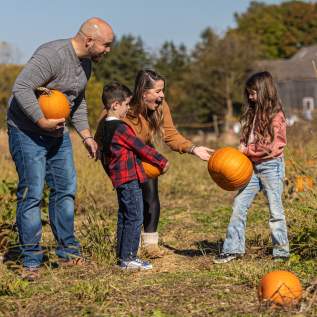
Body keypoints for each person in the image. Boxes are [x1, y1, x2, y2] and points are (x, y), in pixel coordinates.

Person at [7, 17, 114, 279]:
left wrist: (87, 136)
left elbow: (76, 102)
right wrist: (40, 120)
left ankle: (68, 253)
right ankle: (31, 259)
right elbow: (21, 87)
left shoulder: (86, 64)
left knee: (65, 190)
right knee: (31, 194)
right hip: (27, 131)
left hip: (57, 134)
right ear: (89, 40)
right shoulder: (52, 54)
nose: (108, 51)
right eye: (106, 45)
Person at [97, 69, 213, 258]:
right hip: (122, 159)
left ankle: (150, 244)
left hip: (145, 153)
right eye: (158, 91)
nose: (162, 95)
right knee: (128, 205)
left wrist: (193, 149)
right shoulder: (122, 108)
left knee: (150, 196)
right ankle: (125, 248)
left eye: (162, 90)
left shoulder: (161, 106)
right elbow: (102, 136)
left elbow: (170, 134)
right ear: (144, 92)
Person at [213, 71, 290, 264]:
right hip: (251, 167)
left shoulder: (276, 116)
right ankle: (233, 249)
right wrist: (243, 149)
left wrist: (246, 150)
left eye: (253, 92)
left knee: (275, 210)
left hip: (271, 167)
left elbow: (270, 146)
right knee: (239, 205)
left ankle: (281, 252)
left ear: (264, 91)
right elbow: (247, 139)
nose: (250, 96)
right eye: (248, 93)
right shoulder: (253, 113)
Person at [96, 82, 169, 269]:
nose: (128, 108)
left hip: (118, 178)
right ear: (115, 105)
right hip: (129, 178)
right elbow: (141, 147)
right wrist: (161, 161)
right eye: (126, 104)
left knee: (124, 215)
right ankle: (129, 258)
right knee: (135, 216)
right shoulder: (120, 128)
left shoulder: (103, 127)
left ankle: (121, 256)